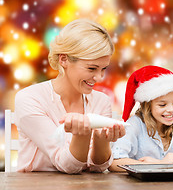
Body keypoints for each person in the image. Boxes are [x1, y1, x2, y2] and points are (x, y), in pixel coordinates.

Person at [15, 19, 125, 174]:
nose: (100, 78)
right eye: (92, 68)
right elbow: (67, 165)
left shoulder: (102, 101)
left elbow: (98, 168)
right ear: (64, 59)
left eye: (103, 69)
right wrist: (82, 135)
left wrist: (102, 140)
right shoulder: (30, 99)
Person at [109, 66, 173, 172]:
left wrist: (166, 165)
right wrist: (162, 163)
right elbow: (114, 163)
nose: (171, 110)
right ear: (147, 106)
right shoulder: (135, 124)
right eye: (162, 105)